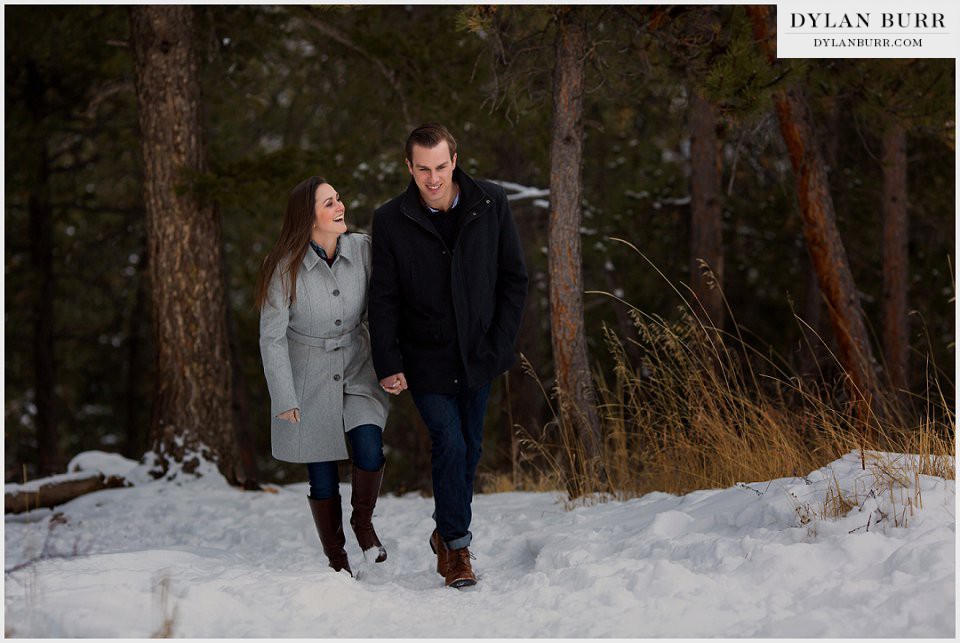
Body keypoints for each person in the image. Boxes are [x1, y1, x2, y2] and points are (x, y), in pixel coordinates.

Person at [369, 123, 528, 588]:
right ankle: (457, 549)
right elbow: (384, 298)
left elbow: (513, 279)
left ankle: (444, 531)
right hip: (425, 358)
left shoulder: (490, 202)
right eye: (423, 169)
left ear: (454, 160)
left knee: (471, 449)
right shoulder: (391, 218)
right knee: (450, 443)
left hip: (479, 353)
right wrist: (388, 360)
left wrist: (499, 344)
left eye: (440, 167)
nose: (433, 178)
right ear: (409, 168)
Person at [257, 176, 390, 577]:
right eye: (328, 203)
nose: (340, 206)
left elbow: (384, 306)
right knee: (323, 476)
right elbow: (272, 337)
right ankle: (338, 562)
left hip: (356, 365)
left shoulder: (363, 248)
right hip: (306, 374)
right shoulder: (283, 267)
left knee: (369, 446)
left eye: (338, 199)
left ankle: (362, 524)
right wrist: (284, 397)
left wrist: (392, 362)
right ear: (308, 217)